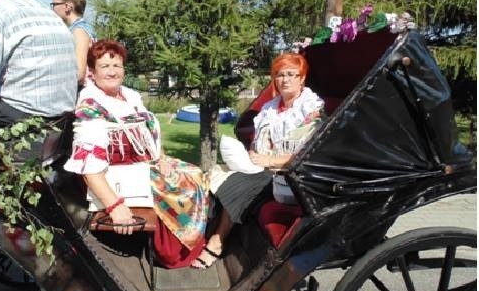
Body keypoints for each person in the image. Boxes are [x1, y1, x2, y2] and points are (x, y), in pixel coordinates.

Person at [63, 40, 209, 268]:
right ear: (92, 72)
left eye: (117, 65)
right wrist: (114, 206)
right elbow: (89, 167)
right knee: (184, 184)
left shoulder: (129, 95)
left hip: (143, 163)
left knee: (195, 173)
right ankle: (175, 253)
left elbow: (147, 132)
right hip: (117, 175)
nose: (112, 72)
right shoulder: (91, 105)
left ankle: (194, 242)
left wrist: (161, 158)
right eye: (104, 66)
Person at [192, 52, 324, 269]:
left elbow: (309, 154)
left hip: (296, 176)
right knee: (219, 178)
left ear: (302, 78)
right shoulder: (271, 108)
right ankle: (206, 236)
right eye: (280, 75)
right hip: (266, 168)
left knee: (244, 182)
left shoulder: (311, 109)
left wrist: (269, 160)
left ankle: (217, 243)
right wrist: (254, 155)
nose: (285, 80)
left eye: (292, 74)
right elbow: (261, 143)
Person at [52, 0, 96, 86]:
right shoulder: (81, 28)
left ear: (67, 6)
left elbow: (79, 73)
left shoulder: (79, 32)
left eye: (54, 4)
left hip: (82, 93)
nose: (52, 9)